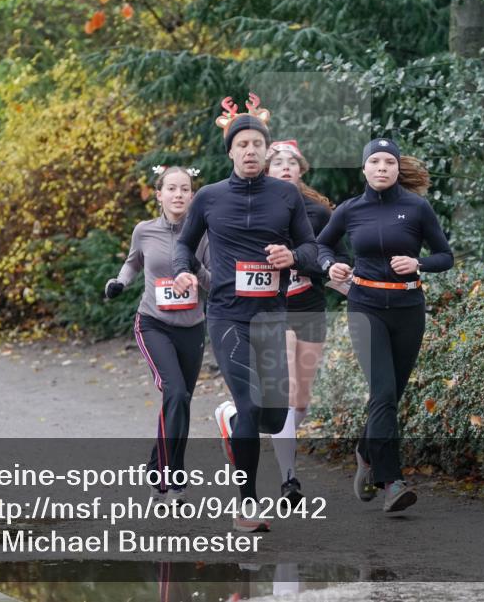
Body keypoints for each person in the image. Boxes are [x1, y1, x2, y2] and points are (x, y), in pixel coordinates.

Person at [172, 94, 317, 532]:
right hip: (227, 315)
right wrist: (183, 272)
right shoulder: (209, 197)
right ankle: (247, 503)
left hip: (271, 315)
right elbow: (183, 245)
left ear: (266, 151)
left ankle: (230, 420)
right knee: (251, 405)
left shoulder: (286, 196)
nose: (250, 151)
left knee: (275, 415)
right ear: (231, 152)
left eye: (257, 144)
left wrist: (292, 256)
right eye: (242, 145)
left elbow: (311, 248)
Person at [316, 138, 454, 513]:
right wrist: (331, 265)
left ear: (396, 168)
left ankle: (366, 450)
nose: (381, 167)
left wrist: (419, 264)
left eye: (388, 162)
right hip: (365, 307)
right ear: (364, 168)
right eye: (374, 161)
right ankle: (391, 482)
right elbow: (321, 246)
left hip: (408, 308)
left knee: (390, 396)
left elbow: (445, 256)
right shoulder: (350, 209)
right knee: (383, 392)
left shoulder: (417, 208)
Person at [104, 165, 210, 505]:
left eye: (185, 189)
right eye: (172, 189)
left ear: (193, 195)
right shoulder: (144, 230)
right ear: (159, 194)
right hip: (153, 323)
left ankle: (156, 470)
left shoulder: (204, 234)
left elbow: (214, 283)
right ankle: (174, 478)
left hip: (192, 328)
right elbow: (133, 262)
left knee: (181, 401)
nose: (178, 194)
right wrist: (120, 282)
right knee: (174, 392)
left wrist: (194, 267)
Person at [264, 139, 348, 506]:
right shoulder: (254, 209)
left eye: (291, 162)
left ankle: (237, 420)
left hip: (309, 305)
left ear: (301, 169)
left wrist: (336, 272)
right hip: (272, 308)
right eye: (277, 162)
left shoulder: (319, 213)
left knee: (301, 402)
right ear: (266, 171)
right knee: (287, 391)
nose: (285, 167)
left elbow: (336, 259)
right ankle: (289, 478)